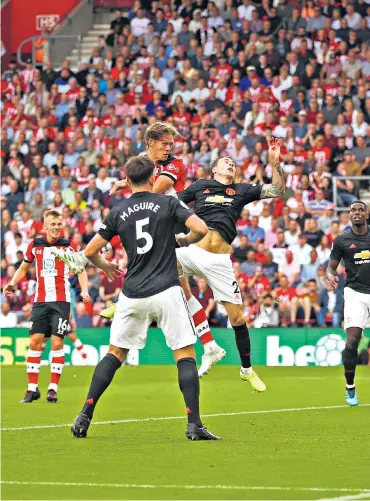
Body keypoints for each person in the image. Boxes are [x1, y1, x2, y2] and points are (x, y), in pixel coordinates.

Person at [55, 122, 226, 378]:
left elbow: (152, 192)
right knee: (182, 289)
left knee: (132, 238)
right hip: (156, 224)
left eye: (171, 144)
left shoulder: (174, 165)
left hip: (170, 220)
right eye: (164, 144)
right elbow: (142, 184)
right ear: (150, 143)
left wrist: (127, 188)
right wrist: (126, 183)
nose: (169, 148)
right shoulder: (143, 163)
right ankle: (210, 345)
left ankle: (110, 288)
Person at [67, 156, 219, 441]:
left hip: (132, 293)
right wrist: (183, 241)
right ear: (153, 178)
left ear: (128, 179)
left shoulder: (118, 211)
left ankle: (85, 413)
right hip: (167, 290)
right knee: (184, 354)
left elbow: (88, 252)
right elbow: (199, 229)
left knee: (115, 353)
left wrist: (105, 266)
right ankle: (194, 425)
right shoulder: (168, 203)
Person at [175, 138, 285, 391]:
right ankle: (209, 346)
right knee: (160, 260)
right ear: (214, 169)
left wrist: (275, 162)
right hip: (193, 251)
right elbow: (172, 203)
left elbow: (277, 190)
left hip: (220, 261)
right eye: (226, 162)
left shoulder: (242, 190)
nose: (231, 165)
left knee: (237, 318)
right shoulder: (200, 185)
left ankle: (246, 369)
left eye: (233, 163)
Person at [3, 210, 90, 403]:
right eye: (53, 224)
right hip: (40, 301)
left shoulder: (70, 246)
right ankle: (32, 389)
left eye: (59, 224)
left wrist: (84, 290)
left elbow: (81, 269)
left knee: (57, 343)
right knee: (35, 341)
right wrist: (12, 283)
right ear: (45, 226)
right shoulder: (35, 245)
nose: (56, 227)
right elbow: (24, 268)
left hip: (61, 301)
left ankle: (52, 388)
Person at [326, 200, 370, 406]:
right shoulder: (342, 240)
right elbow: (331, 267)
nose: (357, 213)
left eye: (361, 210)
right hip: (355, 293)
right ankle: (350, 387)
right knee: (352, 341)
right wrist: (331, 276)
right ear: (349, 214)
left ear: (367, 214)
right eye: (353, 210)